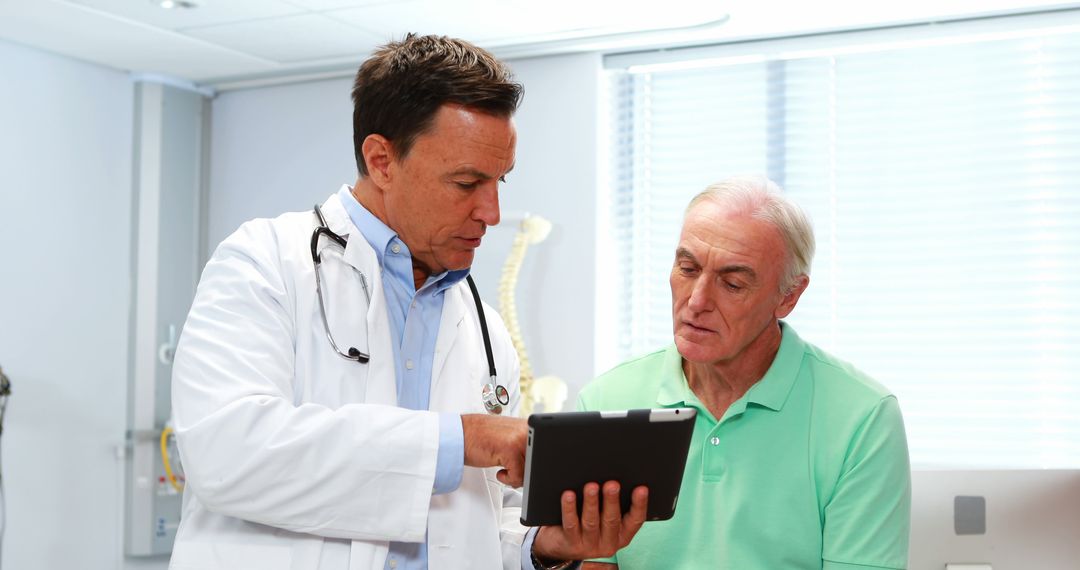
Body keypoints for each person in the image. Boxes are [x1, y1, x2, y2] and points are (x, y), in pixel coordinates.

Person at [170, 34, 646, 570]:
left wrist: (543, 545)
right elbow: (228, 455)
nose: (491, 211)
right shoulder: (265, 265)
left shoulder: (482, 331)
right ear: (381, 161)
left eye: (499, 181)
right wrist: (462, 439)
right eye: (466, 182)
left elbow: (485, 520)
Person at [577, 175, 911, 569]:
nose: (697, 301)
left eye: (732, 284)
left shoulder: (863, 419)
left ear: (788, 296)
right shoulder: (605, 403)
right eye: (687, 268)